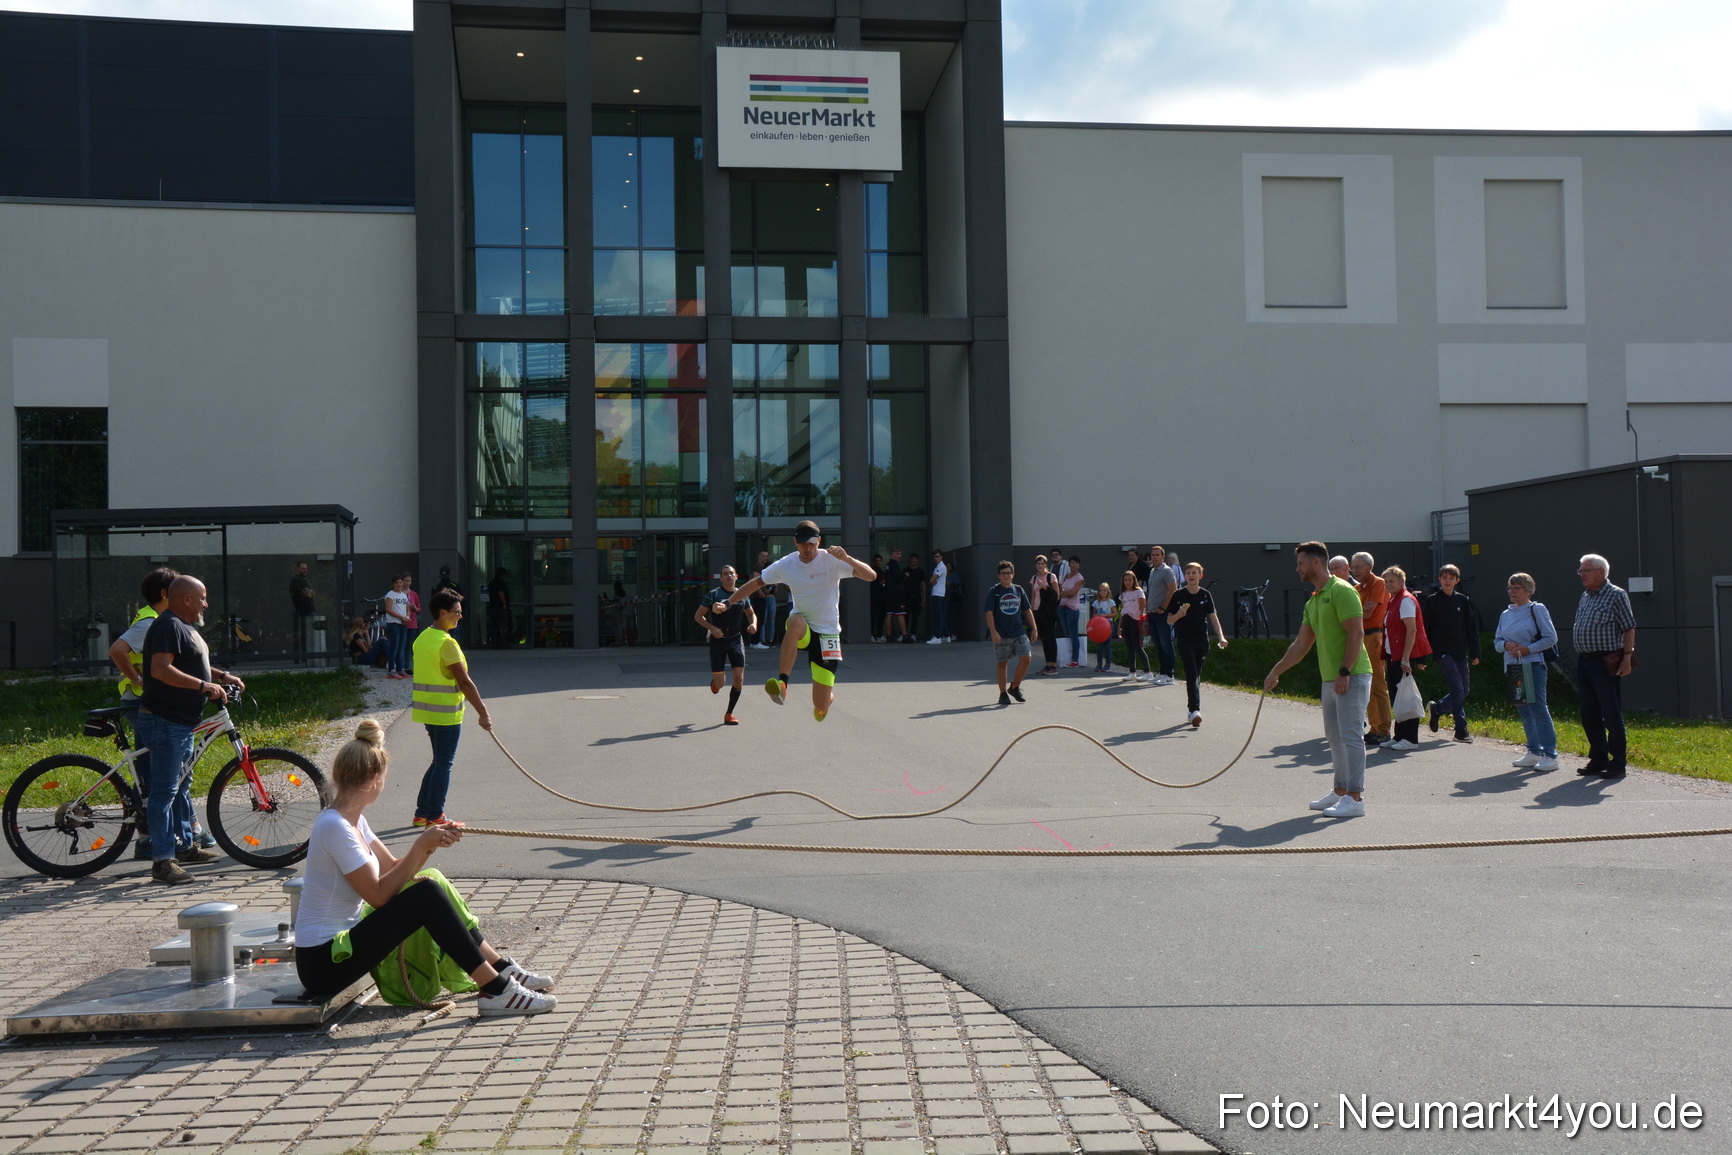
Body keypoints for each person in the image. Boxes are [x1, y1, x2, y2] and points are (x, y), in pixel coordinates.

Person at [295, 720, 555, 1015]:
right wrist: (420, 845)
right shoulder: (335, 827)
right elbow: (379, 896)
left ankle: (500, 969)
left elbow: (394, 868)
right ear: (372, 779)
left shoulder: (351, 819)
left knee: (429, 882)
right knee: (426, 894)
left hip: (340, 947)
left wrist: (430, 844)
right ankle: (496, 989)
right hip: (324, 963)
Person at [138, 576, 243, 884]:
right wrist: (202, 685)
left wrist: (222, 676)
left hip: (181, 721)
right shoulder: (168, 626)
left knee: (181, 786)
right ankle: (161, 861)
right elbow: (161, 669)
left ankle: (183, 847)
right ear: (186, 599)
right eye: (203, 598)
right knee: (164, 791)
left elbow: (192, 664)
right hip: (165, 720)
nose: (206, 604)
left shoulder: (183, 628)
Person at [1264, 543, 1373, 818]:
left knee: (1351, 737)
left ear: (1315, 562)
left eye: (1300, 563)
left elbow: (1356, 634)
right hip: (1331, 678)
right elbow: (1301, 644)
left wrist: (1344, 672)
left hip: (1352, 674)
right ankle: (1340, 791)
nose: (1297, 568)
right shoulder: (1314, 600)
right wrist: (1276, 671)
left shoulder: (1342, 590)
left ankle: (1355, 798)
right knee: (1335, 738)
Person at [726, 522, 875, 722]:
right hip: (803, 628)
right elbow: (755, 584)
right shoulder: (786, 564)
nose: (808, 549)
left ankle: (827, 699)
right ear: (796, 542)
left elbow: (871, 576)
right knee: (795, 621)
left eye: (812, 544)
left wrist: (846, 558)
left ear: (819, 541)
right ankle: (782, 684)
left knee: (819, 706)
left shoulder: (831, 560)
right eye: (803, 544)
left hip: (828, 635)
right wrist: (727, 602)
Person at [107, 567, 182, 860]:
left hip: (145, 700)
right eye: (176, 590)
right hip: (139, 702)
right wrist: (138, 680)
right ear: (165, 594)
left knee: (153, 768)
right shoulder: (149, 622)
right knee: (151, 770)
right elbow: (117, 650)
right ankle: (147, 838)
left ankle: (161, 834)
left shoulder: (157, 619)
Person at [410, 590, 494, 826]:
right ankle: (435, 816)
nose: (460, 616)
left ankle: (423, 813)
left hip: (427, 712)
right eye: (456, 612)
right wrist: (483, 713)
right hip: (446, 713)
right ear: (442, 612)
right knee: (444, 763)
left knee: (438, 761)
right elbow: (465, 682)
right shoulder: (447, 644)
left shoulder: (423, 637)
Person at [1571, 553, 1637, 779]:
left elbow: (1629, 628)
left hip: (1605, 661)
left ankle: (1618, 763)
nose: (1582, 574)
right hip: (1585, 661)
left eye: (1586, 570)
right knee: (1589, 713)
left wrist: (1627, 657)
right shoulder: (1586, 595)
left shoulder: (1616, 595)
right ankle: (1598, 758)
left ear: (1601, 572)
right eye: (1580, 570)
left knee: (1610, 713)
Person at [1495, 572, 1560, 772]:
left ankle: (1550, 754)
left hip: (1532, 663)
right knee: (1524, 709)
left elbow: (1550, 638)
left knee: (1538, 707)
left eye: (1517, 588)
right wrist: (1507, 645)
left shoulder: (1537, 609)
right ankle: (1534, 751)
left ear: (1529, 590)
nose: (1512, 591)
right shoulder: (1505, 614)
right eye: (1510, 587)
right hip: (1513, 666)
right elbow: (1497, 642)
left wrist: (1526, 649)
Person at [1420, 564, 1483, 742]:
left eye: (1451, 578)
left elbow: (1471, 628)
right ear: (1439, 579)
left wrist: (1476, 652)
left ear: (1457, 580)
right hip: (1442, 651)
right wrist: (1422, 656)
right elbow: (1426, 629)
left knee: (1464, 690)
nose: (1447, 581)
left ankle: (1438, 709)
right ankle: (1461, 729)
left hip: (1460, 651)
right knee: (1457, 688)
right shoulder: (1432, 600)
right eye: (1444, 577)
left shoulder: (1462, 600)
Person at [696, 563, 756, 726]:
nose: (729, 576)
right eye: (725, 574)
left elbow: (751, 614)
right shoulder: (713, 595)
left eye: (732, 573)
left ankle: (729, 713)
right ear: (721, 578)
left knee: (739, 679)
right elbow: (698, 616)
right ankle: (715, 683)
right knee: (720, 684)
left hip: (736, 640)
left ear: (736, 577)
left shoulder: (742, 594)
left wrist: (753, 624)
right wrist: (712, 628)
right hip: (718, 642)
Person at [1168, 561, 1226, 727]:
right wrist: (1179, 614)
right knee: (1192, 674)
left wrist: (1221, 637)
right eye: (1188, 573)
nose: (1191, 576)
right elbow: (1169, 620)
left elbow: (1213, 617)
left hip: (1202, 640)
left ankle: (1191, 710)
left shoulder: (1205, 595)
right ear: (1184, 576)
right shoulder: (1178, 595)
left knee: (1196, 676)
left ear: (1201, 576)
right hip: (1184, 639)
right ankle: (1195, 710)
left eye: (1194, 573)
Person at [1379, 566, 1431, 751]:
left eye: (1392, 581)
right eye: (1386, 581)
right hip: (1393, 656)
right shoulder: (1393, 600)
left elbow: (1412, 629)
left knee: (1407, 696)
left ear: (1402, 582)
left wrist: (1406, 658)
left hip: (1403, 657)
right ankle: (1399, 736)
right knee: (1398, 696)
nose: (1388, 584)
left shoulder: (1406, 600)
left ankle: (1410, 739)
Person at [1351, 552, 1392, 748]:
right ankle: (1374, 728)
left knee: (1377, 684)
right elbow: (1360, 612)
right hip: (1360, 636)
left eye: (1358, 567)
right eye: (1353, 567)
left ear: (1369, 567)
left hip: (1374, 636)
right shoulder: (1358, 588)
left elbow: (1367, 613)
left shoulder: (1379, 584)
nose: (1354, 570)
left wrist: (1357, 612)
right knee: (1366, 685)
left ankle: (1384, 729)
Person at [985, 560, 1037, 706]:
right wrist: (994, 632)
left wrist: (1034, 628)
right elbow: (989, 613)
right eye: (1003, 573)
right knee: (1002, 663)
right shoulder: (994, 591)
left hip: (1019, 631)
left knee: (1026, 658)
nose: (1006, 576)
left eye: (1008, 573)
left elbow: (1027, 610)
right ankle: (1003, 694)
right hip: (1001, 634)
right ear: (998, 575)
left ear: (1012, 574)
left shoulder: (1018, 590)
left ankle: (1014, 687)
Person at [1143, 546, 1180, 686]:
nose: (1155, 557)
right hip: (1152, 612)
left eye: (1158, 555)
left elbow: (1173, 590)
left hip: (1162, 614)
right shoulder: (1153, 571)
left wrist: (1163, 608)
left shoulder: (1166, 571)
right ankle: (1163, 672)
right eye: (1153, 555)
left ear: (1163, 556)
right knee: (1158, 645)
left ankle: (1170, 675)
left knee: (1166, 644)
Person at [1030, 555, 1062, 675]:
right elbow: (1033, 596)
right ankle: (1047, 664)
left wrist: (1045, 587)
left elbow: (1057, 595)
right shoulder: (1034, 578)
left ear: (1046, 565)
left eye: (1042, 563)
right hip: (1038, 610)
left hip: (1048, 611)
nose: (1040, 565)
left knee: (1051, 638)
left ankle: (1053, 665)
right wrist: (1032, 611)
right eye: (1038, 563)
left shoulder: (1051, 577)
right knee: (1044, 638)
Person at [1117, 571, 1150, 682]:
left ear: (1134, 580)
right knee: (1129, 646)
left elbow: (1142, 607)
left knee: (1137, 646)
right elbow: (1122, 609)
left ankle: (1147, 671)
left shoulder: (1138, 592)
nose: (1127, 582)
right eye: (1125, 580)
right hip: (1126, 619)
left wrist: (1142, 623)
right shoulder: (1123, 593)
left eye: (1130, 580)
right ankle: (1132, 672)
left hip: (1136, 620)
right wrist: (1119, 627)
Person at [383, 575, 412, 680]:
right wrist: (401, 617)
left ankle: (400, 669)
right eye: (397, 583)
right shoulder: (390, 595)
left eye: (400, 582)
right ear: (393, 584)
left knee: (401, 647)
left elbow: (407, 607)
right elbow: (388, 609)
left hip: (403, 623)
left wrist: (407, 617)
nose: (399, 584)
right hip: (394, 623)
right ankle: (391, 669)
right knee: (394, 646)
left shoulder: (404, 595)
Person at [1058, 558, 1086, 668]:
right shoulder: (1065, 577)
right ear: (1069, 564)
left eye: (1076, 563)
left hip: (1072, 609)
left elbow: (1072, 593)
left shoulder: (1079, 578)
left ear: (1079, 565)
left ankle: (1075, 659)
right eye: (1072, 563)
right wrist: (1063, 593)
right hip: (1062, 607)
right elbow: (1059, 590)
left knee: (1073, 634)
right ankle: (1067, 657)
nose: (1074, 565)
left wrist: (1063, 594)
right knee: (1066, 633)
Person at [880, 547, 907, 642]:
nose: (899, 555)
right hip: (897, 592)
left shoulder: (888, 565)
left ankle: (889, 636)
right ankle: (904, 636)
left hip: (889, 592)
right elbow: (898, 579)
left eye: (900, 554)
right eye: (897, 553)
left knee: (889, 613)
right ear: (892, 554)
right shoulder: (894, 565)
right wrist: (905, 575)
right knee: (900, 613)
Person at [1089, 582, 1117, 674]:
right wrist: (1098, 616)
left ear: (1107, 591)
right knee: (1099, 646)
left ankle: (1108, 664)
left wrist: (1105, 615)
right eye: (1101, 590)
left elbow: (1115, 614)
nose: (1102, 592)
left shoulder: (1111, 602)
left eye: (1104, 590)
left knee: (1108, 646)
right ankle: (1099, 664)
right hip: (1099, 626)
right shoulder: (1096, 603)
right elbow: (1093, 613)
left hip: (1108, 625)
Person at [431, 566, 465, 640]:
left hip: (440, 618)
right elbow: (462, 603)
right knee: (454, 639)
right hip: (453, 616)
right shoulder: (456, 586)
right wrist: (459, 614)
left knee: (440, 639)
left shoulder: (435, 588)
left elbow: (433, 604)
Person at [925, 548, 951, 644]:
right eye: (934, 556)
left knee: (938, 615)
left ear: (941, 557)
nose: (935, 558)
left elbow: (932, 580)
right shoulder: (940, 566)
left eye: (937, 556)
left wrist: (933, 581)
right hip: (939, 593)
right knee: (940, 615)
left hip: (938, 593)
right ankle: (946, 635)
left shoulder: (940, 566)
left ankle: (937, 636)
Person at [755, 550, 780, 649]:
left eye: (766, 556)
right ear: (759, 556)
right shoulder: (758, 568)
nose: (765, 558)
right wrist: (761, 593)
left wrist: (776, 586)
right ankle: (763, 640)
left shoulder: (771, 572)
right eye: (763, 556)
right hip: (764, 598)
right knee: (763, 620)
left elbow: (776, 591)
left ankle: (770, 640)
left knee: (771, 620)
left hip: (771, 597)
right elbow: (755, 583)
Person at [289, 561, 315, 655]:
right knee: (309, 633)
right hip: (306, 611)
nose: (305, 570)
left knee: (308, 633)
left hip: (307, 611)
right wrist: (309, 592)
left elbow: (311, 594)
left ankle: (307, 655)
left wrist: (310, 592)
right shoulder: (297, 580)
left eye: (306, 568)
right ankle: (307, 655)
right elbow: (308, 594)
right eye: (303, 568)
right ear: (297, 569)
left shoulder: (302, 580)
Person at [902, 552, 927, 642]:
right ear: (910, 560)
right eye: (912, 558)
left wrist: (924, 598)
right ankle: (903, 634)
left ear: (918, 560)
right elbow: (901, 582)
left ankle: (913, 634)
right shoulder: (905, 570)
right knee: (905, 616)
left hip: (917, 597)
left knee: (915, 617)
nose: (914, 560)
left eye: (916, 559)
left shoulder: (920, 571)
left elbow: (923, 584)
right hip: (906, 596)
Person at [487, 567, 512, 649]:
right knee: (503, 626)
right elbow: (500, 593)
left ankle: (494, 643)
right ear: (503, 574)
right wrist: (504, 604)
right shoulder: (500, 583)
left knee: (494, 626)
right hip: (500, 607)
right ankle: (502, 644)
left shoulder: (492, 582)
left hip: (492, 607)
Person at [869, 554, 888, 642]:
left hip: (882, 598)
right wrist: (879, 583)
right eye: (877, 561)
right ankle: (872, 634)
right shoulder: (872, 571)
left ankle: (879, 635)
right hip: (875, 597)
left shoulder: (881, 571)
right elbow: (872, 583)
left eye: (880, 561)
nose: (878, 563)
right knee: (874, 617)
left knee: (881, 617)